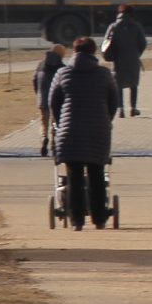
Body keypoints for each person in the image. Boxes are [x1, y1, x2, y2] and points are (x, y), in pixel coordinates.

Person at [45, 39, 121, 228]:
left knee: (74, 177)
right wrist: (106, 120)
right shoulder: (104, 74)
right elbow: (113, 102)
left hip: (70, 132)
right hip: (98, 131)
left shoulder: (62, 73)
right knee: (97, 175)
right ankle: (99, 219)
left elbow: (53, 102)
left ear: (74, 51)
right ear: (93, 52)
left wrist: (59, 122)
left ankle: (77, 220)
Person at [105, 6, 149, 117]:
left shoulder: (113, 26)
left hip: (118, 60)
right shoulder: (136, 26)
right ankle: (133, 108)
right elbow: (143, 43)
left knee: (118, 85)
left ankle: (121, 110)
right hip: (133, 60)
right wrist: (137, 54)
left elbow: (106, 43)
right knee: (133, 84)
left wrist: (112, 55)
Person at [33, 39, 69, 153]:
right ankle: (54, 143)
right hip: (56, 100)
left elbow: (34, 80)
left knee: (44, 121)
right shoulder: (62, 67)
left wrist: (38, 93)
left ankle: (44, 138)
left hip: (42, 98)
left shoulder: (40, 65)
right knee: (56, 120)